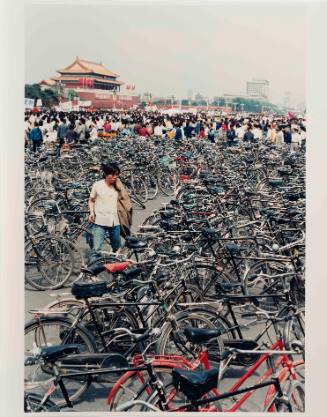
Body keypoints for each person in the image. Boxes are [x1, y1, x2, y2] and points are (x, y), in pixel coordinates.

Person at [88, 163, 133, 263]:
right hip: (100, 221)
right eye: (113, 175)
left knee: (116, 247)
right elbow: (91, 200)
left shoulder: (118, 186)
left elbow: (125, 200)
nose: (115, 177)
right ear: (106, 174)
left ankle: (115, 269)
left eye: (117, 175)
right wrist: (91, 213)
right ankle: (91, 270)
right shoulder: (97, 185)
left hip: (115, 221)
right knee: (96, 249)